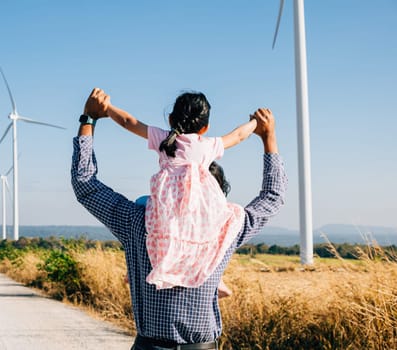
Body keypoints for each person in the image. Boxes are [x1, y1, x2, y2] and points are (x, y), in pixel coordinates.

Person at [72, 88, 287, 349]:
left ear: (171, 122)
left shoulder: (136, 221)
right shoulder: (227, 225)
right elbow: (272, 197)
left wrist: (89, 120)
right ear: (205, 128)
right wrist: (268, 138)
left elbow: (86, 184)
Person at [100, 90, 256, 296]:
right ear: (205, 127)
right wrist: (256, 122)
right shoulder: (208, 145)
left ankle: (135, 268)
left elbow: (128, 121)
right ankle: (217, 279)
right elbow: (238, 136)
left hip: (166, 208)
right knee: (215, 235)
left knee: (140, 204)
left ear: (171, 119)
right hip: (198, 210)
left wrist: (107, 107)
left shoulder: (164, 139)